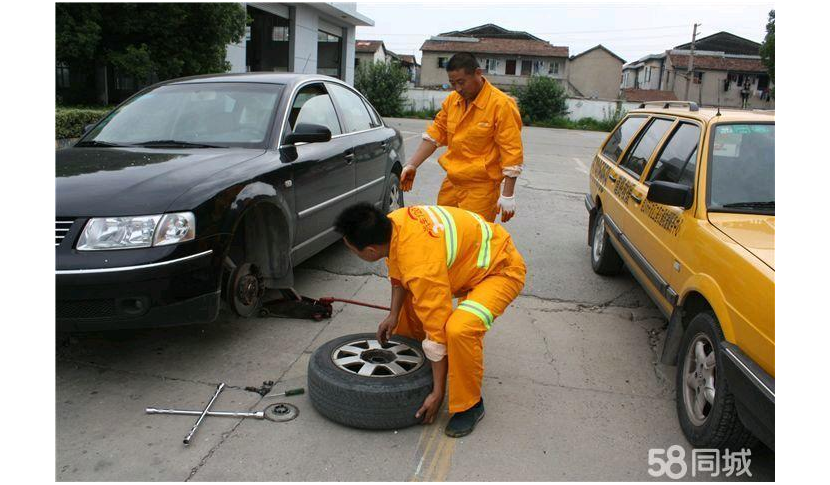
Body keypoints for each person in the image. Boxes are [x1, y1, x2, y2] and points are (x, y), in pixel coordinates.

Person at [334, 202, 526, 437]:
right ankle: (421, 369)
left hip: (500, 271)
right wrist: (393, 314)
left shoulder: (421, 266)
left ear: (371, 251)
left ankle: (470, 405)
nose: (352, 252)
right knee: (409, 310)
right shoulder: (395, 222)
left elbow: (437, 331)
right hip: (468, 263)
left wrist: (438, 393)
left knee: (458, 330)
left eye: (353, 250)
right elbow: (398, 273)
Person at [400, 52, 524, 223]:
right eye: (452, 83)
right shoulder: (453, 101)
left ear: (478, 73)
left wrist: (508, 194)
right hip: (452, 183)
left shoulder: (501, 105)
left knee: (474, 240)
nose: (457, 88)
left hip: (481, 189)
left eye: (461, 82)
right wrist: (412, 164)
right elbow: (436, 133)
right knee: (446, 232)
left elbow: (511, 151)